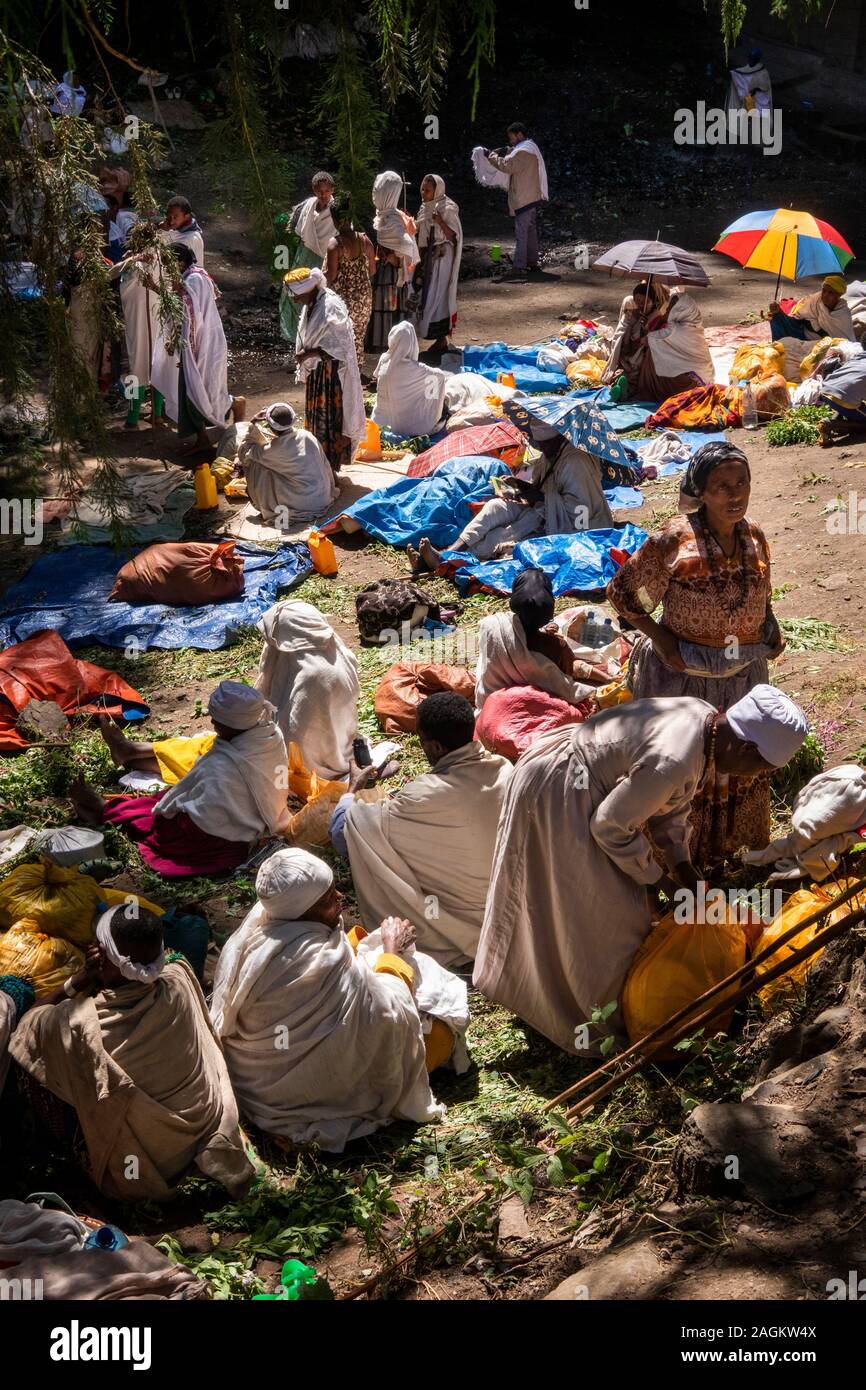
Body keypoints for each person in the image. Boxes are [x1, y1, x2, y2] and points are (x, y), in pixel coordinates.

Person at [473, 685, 808, 1053]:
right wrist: (657, 881)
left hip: (574, 781)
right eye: (759, 768)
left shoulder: (702, 717)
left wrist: (683, 865)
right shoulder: (676, 757)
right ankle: (572, 1012)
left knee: (583, 900)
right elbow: (610, 826)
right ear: (745, 748)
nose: (751, 777)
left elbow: (670, 803)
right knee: (586, 906)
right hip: (560, 790)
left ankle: (547, 989)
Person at [210, 848, 467, 1153]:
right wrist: (393, 952)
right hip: (312, 1094)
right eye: (331, 899)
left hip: (254, 1088)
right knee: (441, 1034)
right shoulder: (319, 962)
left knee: (368, 950)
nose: (340, 898)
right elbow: (387, 1017)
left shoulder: (257, 931)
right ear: (305, 909)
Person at [606, 441, 785, 867]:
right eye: (722, 486)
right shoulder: (675, 538)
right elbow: (622, 592)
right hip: (685, 678)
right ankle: (677, 864)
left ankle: (728, 854)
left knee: (736, 763)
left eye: (741, 483)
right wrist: (661, 638)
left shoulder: (754, 535)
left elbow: (762, 593)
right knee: (688, 772)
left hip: (743, 677)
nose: (735, 494)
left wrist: (770, 625)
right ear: (700, 491)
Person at [10, 904, 254, 1200]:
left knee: (26, 1069)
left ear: (102, 957)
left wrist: (78, 981)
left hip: (146, 1160)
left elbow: (26, 1025)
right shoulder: (179, 978)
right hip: (204, 1126)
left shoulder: (77, 1023)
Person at [330, 693, 512, 967]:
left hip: (466, 923)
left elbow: (343, 833)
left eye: (422, 740)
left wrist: (353, 788)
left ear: (436, 747)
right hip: (512, 912)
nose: (421, 746)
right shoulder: (504, 770)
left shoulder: (421, 797)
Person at [73, 681, 291, 877]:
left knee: (155, 821)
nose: (213, 721)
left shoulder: (222, 767)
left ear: (232, 724)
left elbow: (203, 819)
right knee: (163, 797)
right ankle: (128, 756)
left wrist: (173, 807)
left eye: (217, 720)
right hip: (265, 815)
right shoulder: (271, 737)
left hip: (224, 839)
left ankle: (103, 809)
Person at [409, 419, 613, 570]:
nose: (540, 449)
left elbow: (581, 511)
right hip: (544, 509)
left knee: (504, 534)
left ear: (557, 439)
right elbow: (543, 488)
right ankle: (451, 550)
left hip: (573, 525)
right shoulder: (551, 454)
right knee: (495, 507)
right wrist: (522, 487)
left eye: (543, 445)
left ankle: (444, 562)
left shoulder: (576, 463)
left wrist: (540, 499)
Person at [254, 599, 360, 781]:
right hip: (342, 739)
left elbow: (295, 732)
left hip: (309, 760)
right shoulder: (341, 654)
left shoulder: (309, 675)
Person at [150, 243, 235, 455]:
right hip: (198, 343)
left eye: (169, 265)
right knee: (196, 390)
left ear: (179, 262)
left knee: (197, 390)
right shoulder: (195, 276)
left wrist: (161, 289)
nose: (168, 270)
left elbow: (189, 311)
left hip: (202, 343)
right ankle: (204, 435)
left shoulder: (194, 279)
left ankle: (231, 408)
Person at [284, 265, 366, 474]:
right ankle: (319, 464)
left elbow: (340, 348)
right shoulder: (312, 304)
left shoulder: (330, 306)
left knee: (330, 419)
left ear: (308, 289)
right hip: (318, 374)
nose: (294, 300)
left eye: (296, 295)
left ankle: (329, 467)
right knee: (317, 419)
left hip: (331, 377)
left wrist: (308, 354)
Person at [475, 568, 588, 710]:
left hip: (490, 706)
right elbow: (564, 682)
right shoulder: (557, 646)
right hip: (534, 708)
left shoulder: (491, 625)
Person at [237, 402, 338, 526]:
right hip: (322, 498)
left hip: (301, 506)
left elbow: (244, 452)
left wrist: (252, 422)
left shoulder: (272, 450)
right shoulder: (307, 435)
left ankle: (261, 502)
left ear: (271, 426)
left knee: (255, 463)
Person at [481, 122, 548, 277]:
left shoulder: (524, 151)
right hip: (531, 196)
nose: (510, 141)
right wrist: (506, 150)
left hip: (524, 198)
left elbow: (508, 166)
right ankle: (532, 261)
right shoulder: (530, 147)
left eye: (512, 138)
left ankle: (518, 266)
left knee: (522, 233)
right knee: (530, 232)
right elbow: (514, 154)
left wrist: (490, 155)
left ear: (519, 135)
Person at [278, 171, 336, 343]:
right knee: (294, 290)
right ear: (314, 190)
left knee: (317, 297)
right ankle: (295, 334)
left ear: (332, 189)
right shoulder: (308, 206)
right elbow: (299, 231)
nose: (323, 195)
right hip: (304, 255)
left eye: (326, 191)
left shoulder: (337, 210)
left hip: (325, 258)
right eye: (319, 191)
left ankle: (317, 336)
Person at [366, 171, 419, 352]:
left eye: (380, 190)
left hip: (391, 274)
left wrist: (395, 256)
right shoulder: (383, 215)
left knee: (391, 313)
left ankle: (392, 353)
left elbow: (407, 246)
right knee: (380, 313)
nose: (376, 193)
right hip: (379, 273)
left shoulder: (395, 220)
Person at [325, 195, 375, 376]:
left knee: (342, 339)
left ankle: (344, 377)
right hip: (364, 299)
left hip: (343, 302)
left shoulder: (335, 244)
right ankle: (357, 372)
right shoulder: (365, 240)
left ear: (335, 219)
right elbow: (372, 270)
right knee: (358, 337)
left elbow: (330, 276)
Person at [372, 321, 448, 438]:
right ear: (411, 342)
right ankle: (429, 413)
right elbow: (439, 376)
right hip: (407, 428)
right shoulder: (414, 368)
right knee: (439, 397)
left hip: (379, 423)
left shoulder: (384, 359)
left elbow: (377, 376)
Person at [413, 175, 463, 351]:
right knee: (425, 295)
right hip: (428, 257)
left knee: (439, 295)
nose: (423, 193)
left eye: (427, 190)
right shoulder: (423, 208)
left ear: (437, 190)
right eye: (422, 189)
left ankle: (441, 338)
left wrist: (440, 221)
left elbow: (454, 237)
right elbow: (419, 231)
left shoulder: (448, 208)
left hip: (442, 257)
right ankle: (432, 335)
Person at [638, 289, 714, 400]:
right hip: (704, 380)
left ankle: (647, 389)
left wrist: (658, 322)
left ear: (681, 310)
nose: (668, 309)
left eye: (672, 307)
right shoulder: (695, 326)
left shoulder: (675, 330)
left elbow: (645, 340)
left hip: (690, 385)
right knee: (661, 350)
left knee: (652, 352)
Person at [601, 280, 671, 397]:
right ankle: (622, 387)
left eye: (646, 302)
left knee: (639, 369)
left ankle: (626, 390)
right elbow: (619, 334)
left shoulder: (657, 317)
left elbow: (657, 338)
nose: (641, 305)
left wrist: (645, 328)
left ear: (653, 302)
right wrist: (632, 323)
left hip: (644, 355)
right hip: (627, 352)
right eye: (638, 301)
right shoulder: (630, 314)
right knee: (622, 369)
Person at [769, 276, 856, 368]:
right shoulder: (816, 299)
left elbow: (842, 340)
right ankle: (777, 350)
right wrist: (779, 311)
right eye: (824, 291)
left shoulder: (842, 314)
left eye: (830, 293)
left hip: (823, 344)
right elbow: (798, 318)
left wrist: (817, 328)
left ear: (838, 295)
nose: (825, 295)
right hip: (804, 333)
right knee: (777, 318)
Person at [160, 194, 204, 267]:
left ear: (186, 216)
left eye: (175, 217)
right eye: (169, 216)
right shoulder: (174, 229)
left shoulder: (191, 238)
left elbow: (167, 262)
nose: (171, 221)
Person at [727, 47, 773, 116]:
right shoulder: (747, 69)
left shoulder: (763, 72)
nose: (750, 60)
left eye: (753, 59)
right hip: (749, 98)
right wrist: (733, 74)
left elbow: (765, 86)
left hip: (760, 99)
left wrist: (756, 89)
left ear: (757, 60)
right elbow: (742, 76)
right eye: (750, 58)